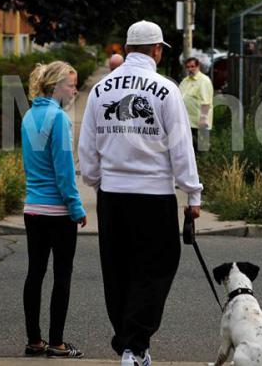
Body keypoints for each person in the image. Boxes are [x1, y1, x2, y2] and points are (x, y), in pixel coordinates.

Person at [78, 20, 203, 366]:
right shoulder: (166, 89)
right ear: (157, 50)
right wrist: (192, 194)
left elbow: (87, 148)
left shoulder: (101, 90)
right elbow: (182, 148)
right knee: (158, 266)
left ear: (129, 48)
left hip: (113, 195)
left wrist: (95, 181)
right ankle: (135, 346)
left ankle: (129, 344)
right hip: (154, 196)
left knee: (118, 269)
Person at [21, 61, 87, 359]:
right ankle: (57, 343)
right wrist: (76, 207)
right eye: (72, 85)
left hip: (33, 208)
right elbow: (64, 173)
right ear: (58, 86)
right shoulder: (59, 119)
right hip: (58, 213)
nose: (75, 90)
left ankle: (34, 340)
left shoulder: (28, 116)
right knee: (62, 276)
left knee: (35, 273)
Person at [178, 57, 214, 152]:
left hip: (199, 122)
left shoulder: (204, 80)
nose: (190, 69)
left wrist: (203, 119)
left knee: (201, 148)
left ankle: (205, 165)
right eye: (188, 67)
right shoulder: (185, 80)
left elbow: (206, 102)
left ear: (198, 66)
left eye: (192, 66)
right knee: (190, 149)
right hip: (188, 121)